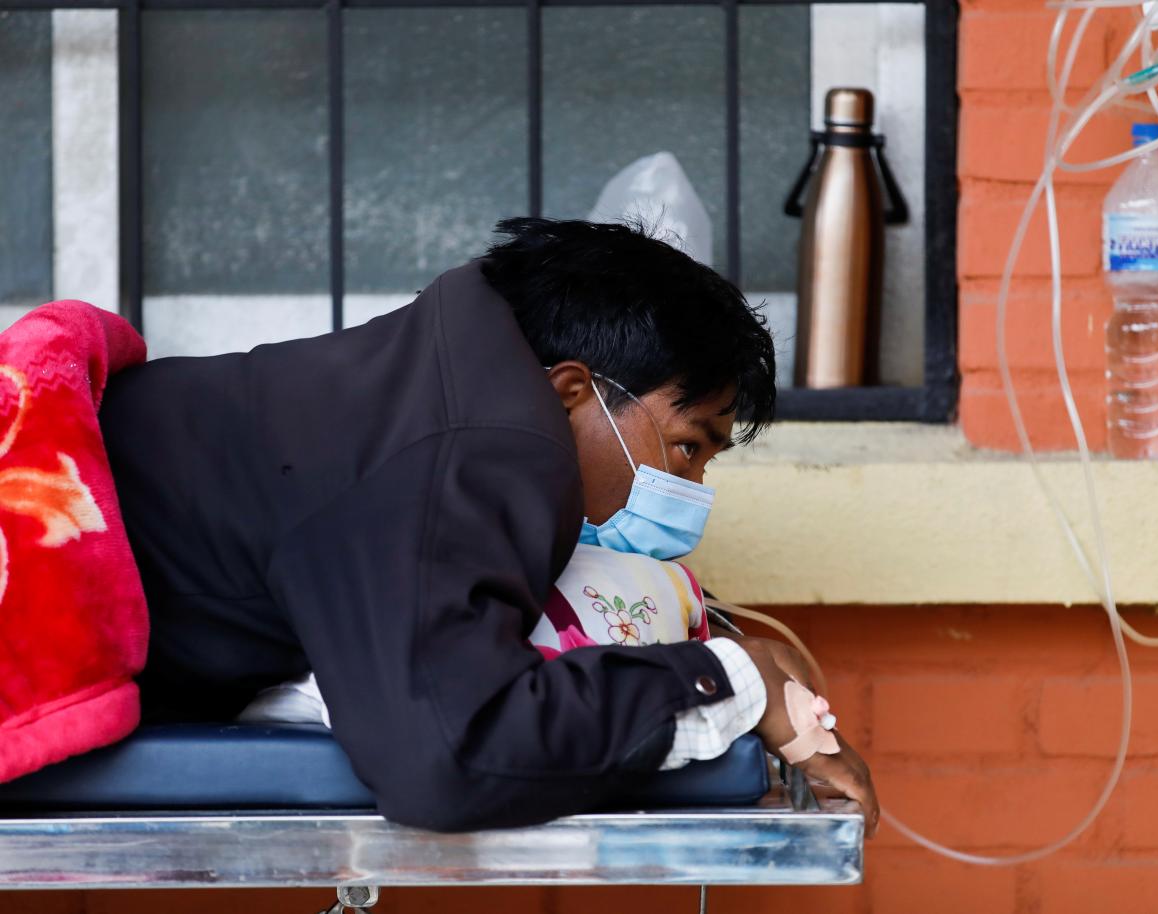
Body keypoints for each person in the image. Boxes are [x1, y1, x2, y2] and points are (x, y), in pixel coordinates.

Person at [97, 217, 879, 833]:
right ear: (574, 391)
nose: (692, 488)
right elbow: (449, 754)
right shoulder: (479, 450)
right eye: (685, 447)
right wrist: (732, 682)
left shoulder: (428, 391)